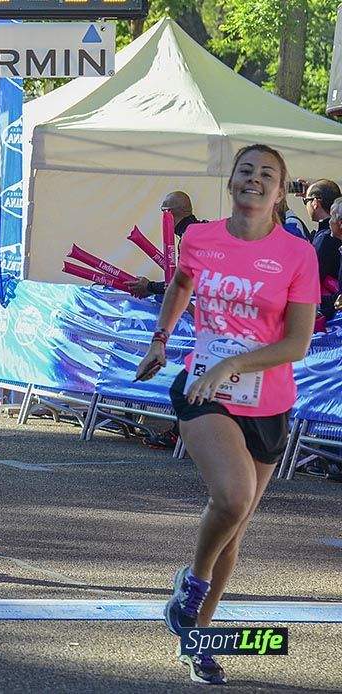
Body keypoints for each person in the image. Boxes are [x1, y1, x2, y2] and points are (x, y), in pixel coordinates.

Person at [135, 145, 317, 685]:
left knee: (233, 530)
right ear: (231, 180)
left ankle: (198, 640)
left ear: (280, 192)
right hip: (203, 390)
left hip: (269, 403)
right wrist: (161, 338)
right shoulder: (200, 238)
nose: (254, 181)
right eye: (246, 171)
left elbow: (300, 342)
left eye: (267, 175)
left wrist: (239, 361)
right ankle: (191, 585)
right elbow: (182, 284)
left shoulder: (296, 254)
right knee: (232, 497)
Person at [127, 191, 206, 299]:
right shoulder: (203, 227)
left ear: (169, 212)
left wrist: (149, 286)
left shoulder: (188, 237)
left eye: (163, 210)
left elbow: (184, 283)